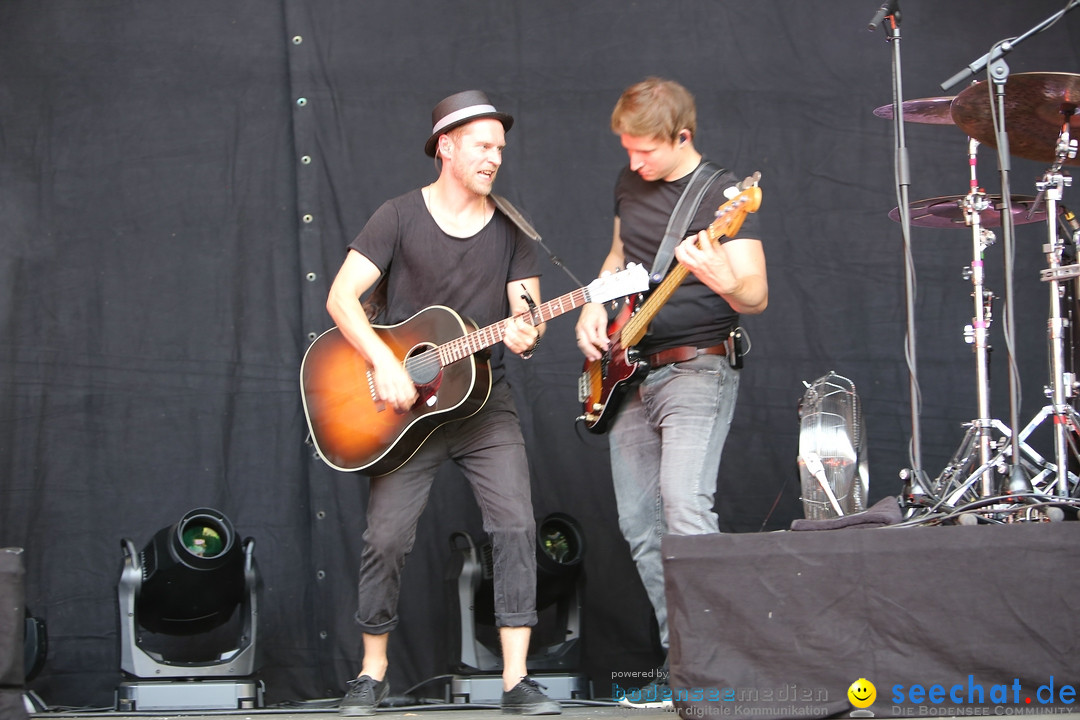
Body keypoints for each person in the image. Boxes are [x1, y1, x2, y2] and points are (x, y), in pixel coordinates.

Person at [325, 89, 560, 717]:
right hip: (408, 414)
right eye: (482, 147)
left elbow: (527, 319)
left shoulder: (514, 228)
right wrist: (383, 362)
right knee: (386, 537)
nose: (494, 159)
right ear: (445, 147)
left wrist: (526, 332)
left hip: (484, 403)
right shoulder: (397, 217)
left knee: (514, 524)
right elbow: (341, 298)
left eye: (500, 149)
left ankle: (516, 681)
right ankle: (371, 674)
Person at [574, 77, 768, 707]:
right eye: (627, 149)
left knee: (685, 511)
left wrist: (721, 278)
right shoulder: (628, 183)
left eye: (646, 151)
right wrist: (590, 310)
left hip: (698, 369)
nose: (633, 162)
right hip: (630, 371)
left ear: (682, 137)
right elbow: (616, 260)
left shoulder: (723, 194)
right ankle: (685, 665)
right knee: (640, 524)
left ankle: (718, 673)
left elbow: (756, 297)